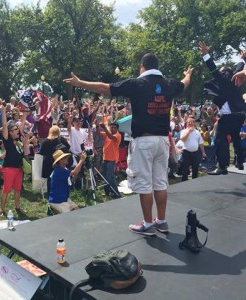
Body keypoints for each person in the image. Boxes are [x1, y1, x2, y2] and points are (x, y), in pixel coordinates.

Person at [64, 53, 193, 236]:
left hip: (144, 140)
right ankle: (162, 221)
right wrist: (188, 73)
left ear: (142, 67)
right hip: (163, 140)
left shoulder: (136, 84)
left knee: (145, 184)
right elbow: (184, 82)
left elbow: (105, 88)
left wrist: (80, 83)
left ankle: (148, 224)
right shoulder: (169, 84)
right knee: (160, 182)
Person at [199, 42, 246, 174]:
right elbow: (239, 66)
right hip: (240, 114)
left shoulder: (224, 80)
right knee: (236, 137)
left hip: (229, 116)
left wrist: (205, 54)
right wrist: (242, 59)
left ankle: (223, 167)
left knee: (220, 140)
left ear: (223, 73)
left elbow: (213, 68)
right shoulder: (235, 76)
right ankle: (240, 161)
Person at [0, 105, 25, 217]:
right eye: (15, 129)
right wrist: (4, 111)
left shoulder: (17, 140)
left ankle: (18, 206)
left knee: (18, 189)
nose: (17, 131)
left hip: (19, 169)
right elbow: (4, 125)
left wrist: (24, 113)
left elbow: (22, 124)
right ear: (10, 132)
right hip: (9, 168)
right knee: (6, 190)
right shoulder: (7, 140)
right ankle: (2, 209)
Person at [40, 125, 70, 195]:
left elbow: (41, 152)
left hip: (47, 162)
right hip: (58, 160)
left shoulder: (45, 141)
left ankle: (50, 193)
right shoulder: (61, 139)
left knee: (49, 178)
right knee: (59, 177)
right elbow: (68, 147)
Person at [95, 121, 121, 198]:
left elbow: (111, 137)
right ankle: (107, 191)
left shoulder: (117, 135)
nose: (112, 129)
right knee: (105, 176)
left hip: (112, 160)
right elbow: (98, 133)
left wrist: (104, 128)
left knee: (110, 177)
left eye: (114, 127)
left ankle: (116, 193)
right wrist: (97, 126)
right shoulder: (108, 133)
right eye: (111, 127)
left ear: (117, 129)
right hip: (105, 158)